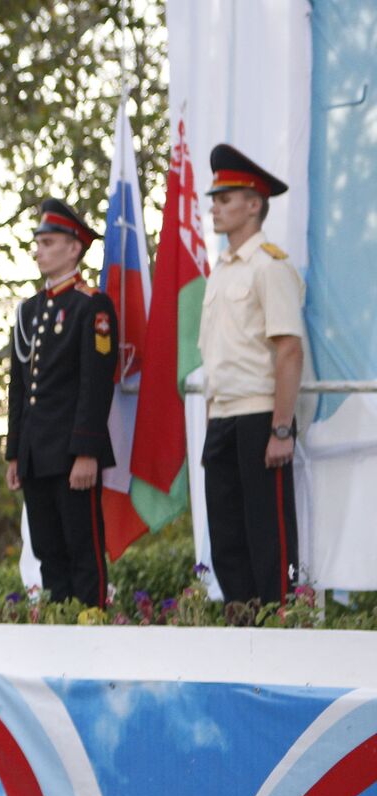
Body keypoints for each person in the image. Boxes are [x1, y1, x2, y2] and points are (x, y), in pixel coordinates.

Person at [199, 143, 305, 604]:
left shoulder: (269, 266)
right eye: (215, 199)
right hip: (223, 417)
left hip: (261, 415)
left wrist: (281, 428)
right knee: (227, 536)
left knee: (269, 535)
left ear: (254, 204)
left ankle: (280, 626)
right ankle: (240, 629)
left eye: (225, 198)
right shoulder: (221, 270)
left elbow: (288, 350)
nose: (215, 207)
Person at [5, 198, 117, 607]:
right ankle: (60, 627)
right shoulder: (29, 311)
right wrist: (15, 452)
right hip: (36, 453)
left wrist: (86, 451)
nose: (38, 250)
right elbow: (19, 386)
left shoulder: (92, 305)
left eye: (48, 242)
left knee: (83, 551)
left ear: (74, 247)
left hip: (72, 454)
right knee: (48, 553)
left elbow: (96, 384)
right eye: (37, 243)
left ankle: (91, 623)